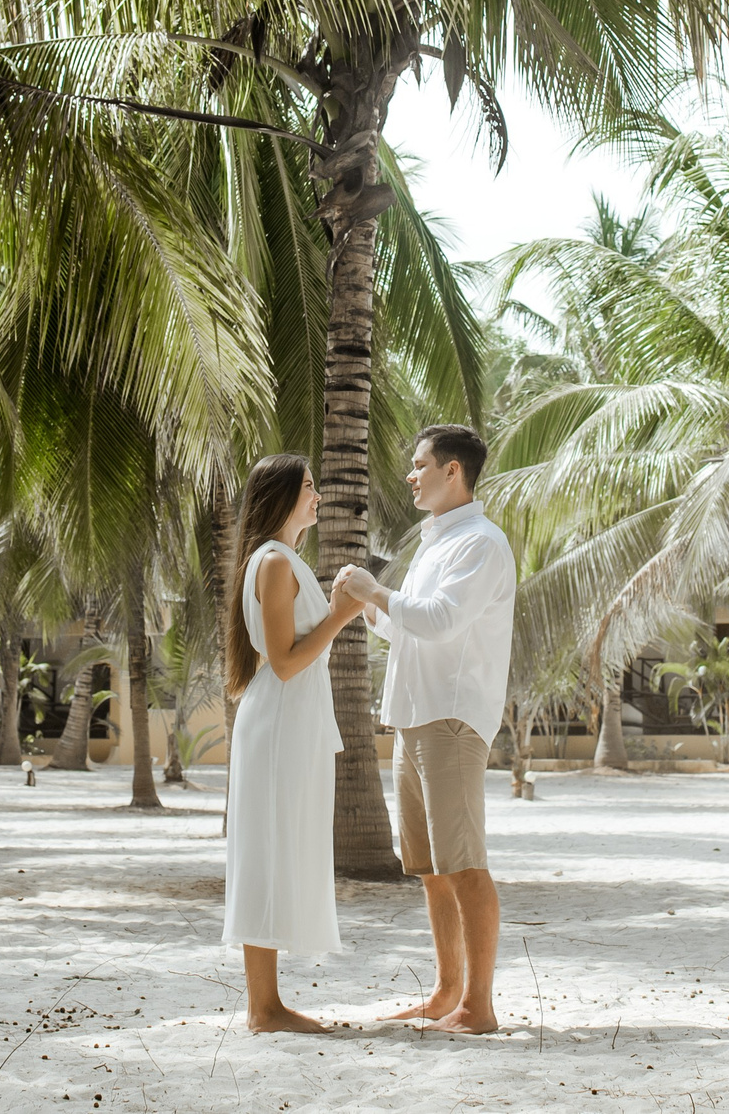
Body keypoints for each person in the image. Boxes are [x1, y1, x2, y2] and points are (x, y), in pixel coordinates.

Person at [333, 424, 515, 1035]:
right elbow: (410, 628)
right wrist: (370, 604)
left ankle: (479, 1007)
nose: (410, 475)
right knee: (431, 867)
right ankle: (446, 993)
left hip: (452, 718)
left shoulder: (482, 544)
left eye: (419, 465)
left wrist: (377, 590)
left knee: (463, 863)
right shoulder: (439, 542)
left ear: (453, 471)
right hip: (413, 715)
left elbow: (439, 622)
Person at [221, 453, 368, 1034]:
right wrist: (341, 615)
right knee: (267, 853)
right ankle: (264, 1008)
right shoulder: (276, 562)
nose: (319, 495)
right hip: (279, 722)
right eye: (309, 486)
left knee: (275, 851)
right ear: (282, 496)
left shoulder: (281, 560)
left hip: (288, 722)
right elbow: (284, 663)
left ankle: (267, 1005)